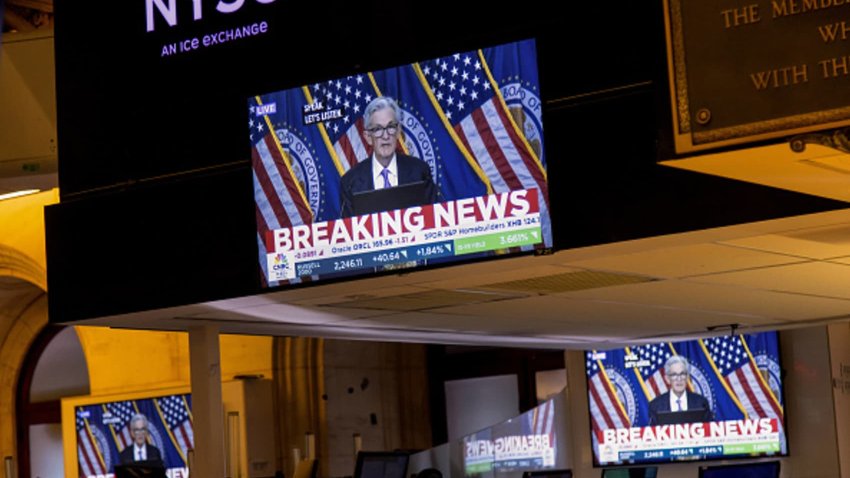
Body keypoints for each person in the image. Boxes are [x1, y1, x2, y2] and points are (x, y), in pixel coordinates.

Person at [339, 96, 438, 217]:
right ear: (368, 137)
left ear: (398, 131)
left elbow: (434, 219)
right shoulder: (350, 182)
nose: (385, 136)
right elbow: (349, 231)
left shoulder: (420, 172)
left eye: (391, 127)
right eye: (378, 129)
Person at [647, 355, 713, 425]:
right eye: (674, 375)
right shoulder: (656, 406)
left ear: (687, 377)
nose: (679, 379)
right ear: (667, 379)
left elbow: (710, 430)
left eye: (682, 374)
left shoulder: (701, 403)